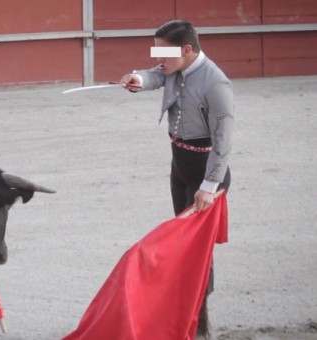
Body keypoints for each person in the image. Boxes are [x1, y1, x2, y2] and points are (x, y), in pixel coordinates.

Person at [120, 19, 234, 339]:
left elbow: (223, 144)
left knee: (194, 254)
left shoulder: (216, 84)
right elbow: (156, 73)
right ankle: (192, 320)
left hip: (206, 176)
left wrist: (209, 187)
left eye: (164, 52)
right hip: (180, 168)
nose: (160, 59)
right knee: (186, 252)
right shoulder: (174, 66)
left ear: (187, 50)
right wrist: (139, 79)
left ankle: (198, 326)